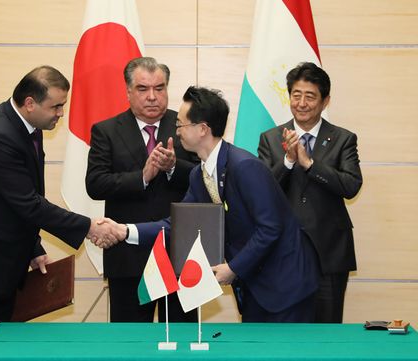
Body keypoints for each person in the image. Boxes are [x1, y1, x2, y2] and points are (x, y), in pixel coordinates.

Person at [99, 86, 320, 322]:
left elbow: (270, 228)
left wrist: (233, 268)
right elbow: (180, 224)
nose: (176, 131)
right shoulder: (199, 174)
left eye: (180, 124)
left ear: (202, 129)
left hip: (286, 284)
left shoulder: (244, 166)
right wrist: (125, 231)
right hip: (255, 284)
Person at [0, 65, 117, 337]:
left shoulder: (28, 127)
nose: (61, 114)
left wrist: (33, 248)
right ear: (30, 103)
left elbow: (17, 202)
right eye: (56, 106)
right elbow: (28, 203)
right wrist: (89, 226)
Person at [85, 57, 199, 322]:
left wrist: (173, 167)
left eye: (159, 88)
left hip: (179, 253)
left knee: (182, 339)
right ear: (128, 91)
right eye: (142, 89)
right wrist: (142, 177)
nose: (152, 97)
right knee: (131, 343)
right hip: (128, 257)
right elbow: (95, 184)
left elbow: (206, 177)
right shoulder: (107, 130)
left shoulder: (187, 127)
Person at [258, 62, 363, 323]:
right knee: (286, 329)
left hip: (328, 252)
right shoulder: (270, 138)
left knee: (326, 328)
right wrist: (289, 162)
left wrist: (310, 164)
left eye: (310, 96)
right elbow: (261, 191)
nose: (302, 103)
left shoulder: (343, 139)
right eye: (296, 95)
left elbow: (351, 185)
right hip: (283, 251)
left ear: (325, 101)